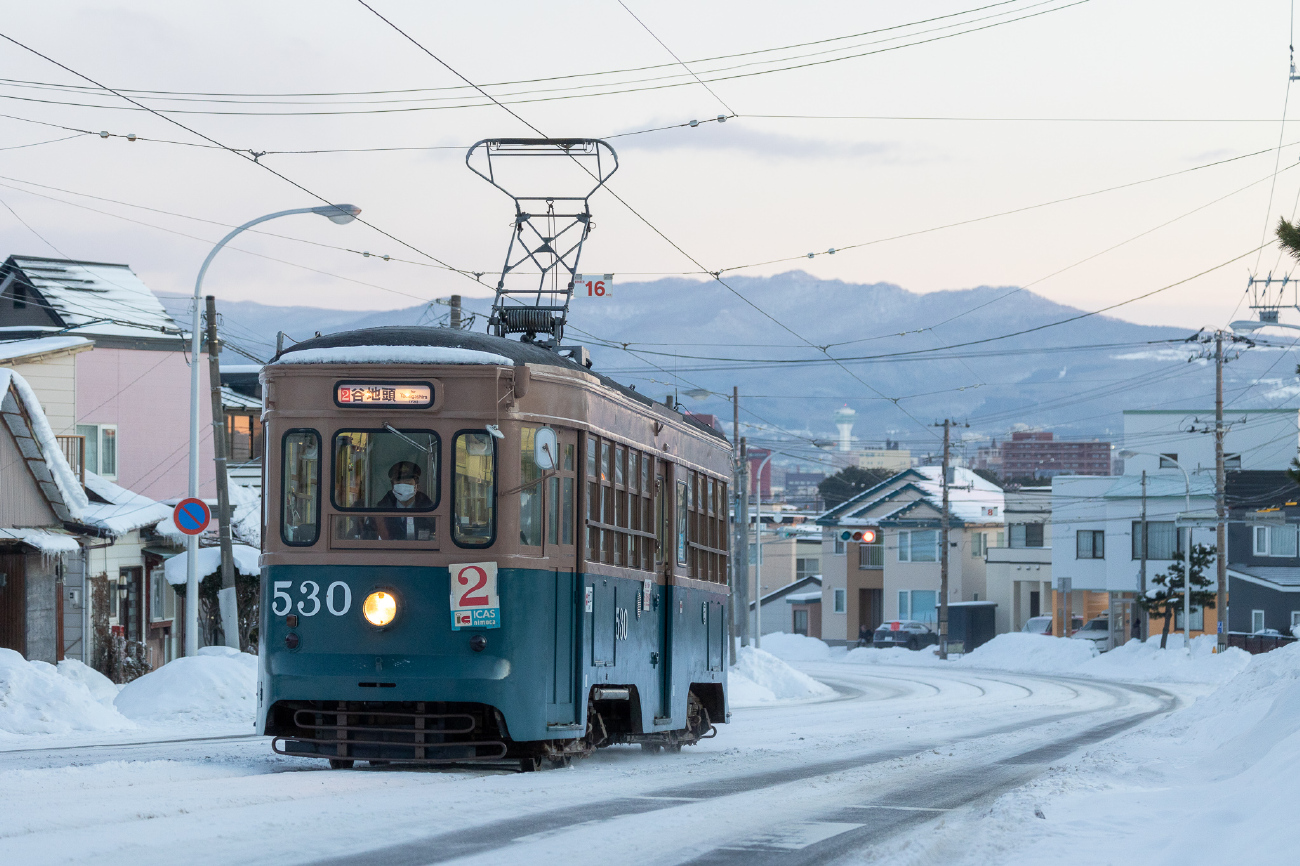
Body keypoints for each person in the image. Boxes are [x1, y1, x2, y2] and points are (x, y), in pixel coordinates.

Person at [376, 461, 435, 540]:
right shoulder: (381, 510)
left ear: (417, 487)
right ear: (392, 486)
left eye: (408, 483)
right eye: (398, 482)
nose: (403, 486)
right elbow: (368, 535)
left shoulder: (430, 511)